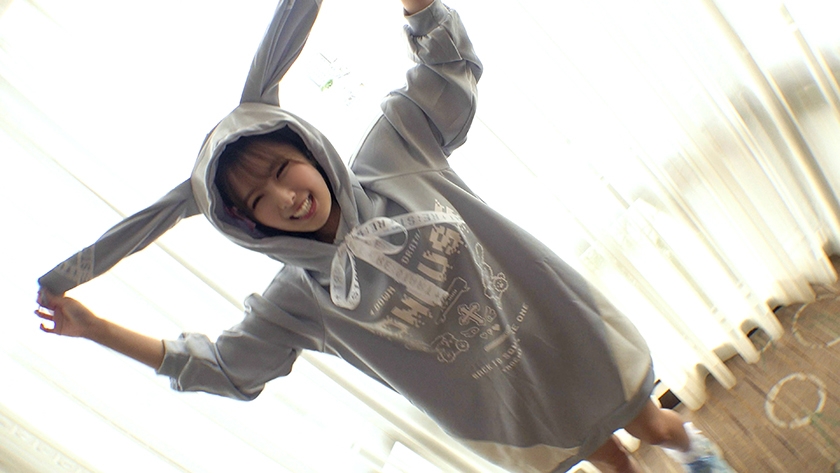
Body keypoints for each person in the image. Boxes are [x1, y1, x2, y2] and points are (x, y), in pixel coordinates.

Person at [34, 0, 735, 471]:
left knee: (653, 426)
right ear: (245, 225)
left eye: (281, 168)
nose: (285, 197)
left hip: (557, 333)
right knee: (603, 459)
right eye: (257, 201)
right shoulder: (295, 300)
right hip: (505, 402)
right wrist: (95, 329)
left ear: (307, 147)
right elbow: (222, 366)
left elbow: (445, 71)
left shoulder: (395, 152)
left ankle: (698, 456)